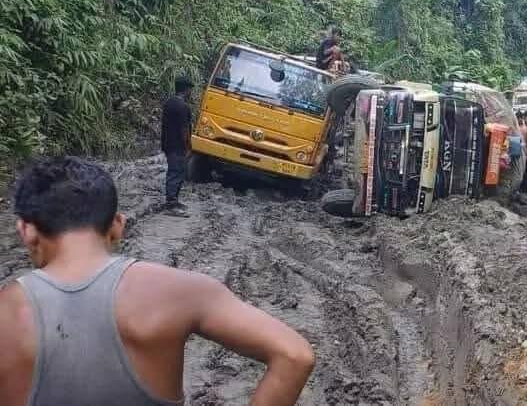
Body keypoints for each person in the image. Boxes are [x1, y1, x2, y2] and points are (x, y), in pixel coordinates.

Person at [0, 157, 315, 405]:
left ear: (26, 230)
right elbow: (294, 355)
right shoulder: (178, 292)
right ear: (118, 225)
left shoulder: (7, 314)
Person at [161, 77, 194, 216]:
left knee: (176, 171)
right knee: (176, 172)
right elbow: (184, 129)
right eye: (190, 90)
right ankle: (171, 205)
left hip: (168, 143)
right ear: (186, 90)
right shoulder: (183, 107)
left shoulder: (169, 103)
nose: (191, 93)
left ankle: (174, 201)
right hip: (178, 145)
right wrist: (188, 147)